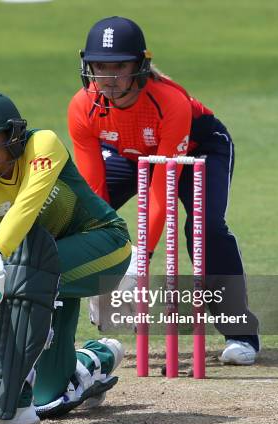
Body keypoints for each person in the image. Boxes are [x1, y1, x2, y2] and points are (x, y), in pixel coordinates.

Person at [68, 16, 260, 364]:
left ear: (140, 65)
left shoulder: (169, 101)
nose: (108, 78)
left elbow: (161, 189)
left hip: (197, 150)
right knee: (72, 215)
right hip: (131, 154)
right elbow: (94, 194)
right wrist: (103, 264)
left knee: (205, 229)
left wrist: (140, 260)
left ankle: (241, 333)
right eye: (99, 66)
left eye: (118, 67)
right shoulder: (83, 106)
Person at [0, 90, 132, 424]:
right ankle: (94, 361)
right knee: (50, 396)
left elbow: (25, 208)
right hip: (50, 277)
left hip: (105, 248)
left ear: (12, 133)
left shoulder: (43, 145)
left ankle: (7, 405)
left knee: (17, 276)